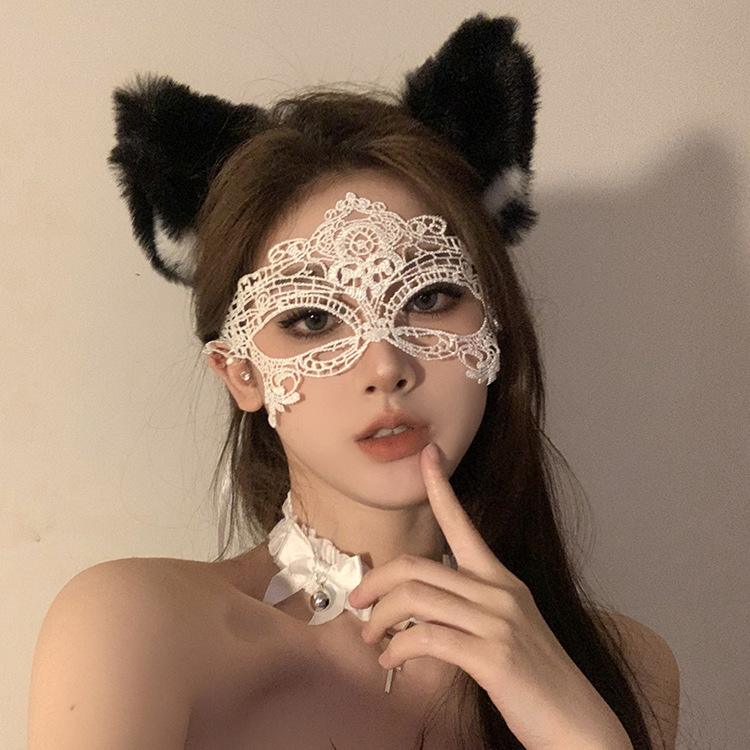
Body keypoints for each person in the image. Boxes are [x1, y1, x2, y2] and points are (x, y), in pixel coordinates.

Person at [28, 15, 679, 750]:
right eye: (312, 318)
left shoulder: (631, 669)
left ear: (494, 326)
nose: (386, 366)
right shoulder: (136, 632)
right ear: (241, 373)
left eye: (430, 296)